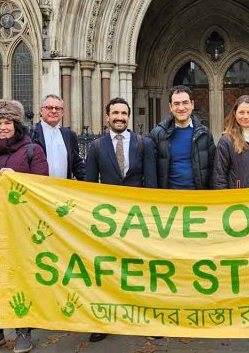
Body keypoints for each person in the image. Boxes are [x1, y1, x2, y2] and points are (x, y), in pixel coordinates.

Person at [0, 99, 49, 353]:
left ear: (17, 124)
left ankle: (24, 329)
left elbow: (41, 189)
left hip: (20, 226)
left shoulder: (32, 151)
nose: (3, 127)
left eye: (8, 122)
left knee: (21, 276)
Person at [85, 97, 156, 342]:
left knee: (142, 269)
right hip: (108, 220)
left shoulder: (143, 144)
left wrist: (150, 217)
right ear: (107, 117)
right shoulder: (95, 147)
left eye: (123, 113)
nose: (119, 117)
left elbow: (152, 184)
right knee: (107, 269)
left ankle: (147, 319)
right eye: (115, 113)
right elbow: (89, 186)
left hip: (138, 219)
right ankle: (103, 320)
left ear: (128, 116)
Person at [148, 85, 215, 190]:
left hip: (198, 198)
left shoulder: (204, 134)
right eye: (176, 104)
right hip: (168, 200)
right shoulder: (157, 134)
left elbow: (213, 170)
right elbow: (150, 173)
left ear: (192, 104)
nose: (181, 108)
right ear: (170, 107)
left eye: (185, 102)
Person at [32, 94, 86, 180]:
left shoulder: (69, 135)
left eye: (57, 108)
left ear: (62, 113)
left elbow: (76, 163)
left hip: (62, 190)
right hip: (38, 189)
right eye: (49, 107)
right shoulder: (31, 133)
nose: (54, 111)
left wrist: (90, 184)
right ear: (41, 111)